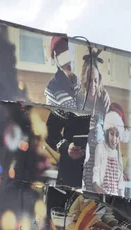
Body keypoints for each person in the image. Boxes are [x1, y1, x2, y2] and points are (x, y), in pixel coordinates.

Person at [45, 36, 88, 189]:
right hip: (71, 172)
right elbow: (50, 132)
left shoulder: (82, 85)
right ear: (55, 58)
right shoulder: (56, 90)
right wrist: (66, 148)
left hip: (95, 173)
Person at [77, 50, 110, 192]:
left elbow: (109, 127)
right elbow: (72, 124)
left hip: (99, 153)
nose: (93, 84)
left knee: (97, 191)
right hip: (83, 151)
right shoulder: (78, 97)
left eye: (96, 81)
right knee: (84, 191)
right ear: (84, 79)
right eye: (90, 80)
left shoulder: (103, 97)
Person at [92, 103, 128, 197]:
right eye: (111, 134)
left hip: (115, 197)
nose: (114, 139)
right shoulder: (100, 148)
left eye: (117, 135)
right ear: (106, 132)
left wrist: (121, 197)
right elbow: (96, 170)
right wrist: (97, 188)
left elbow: (120, 182)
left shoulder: (117, 154)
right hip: (103, 195)